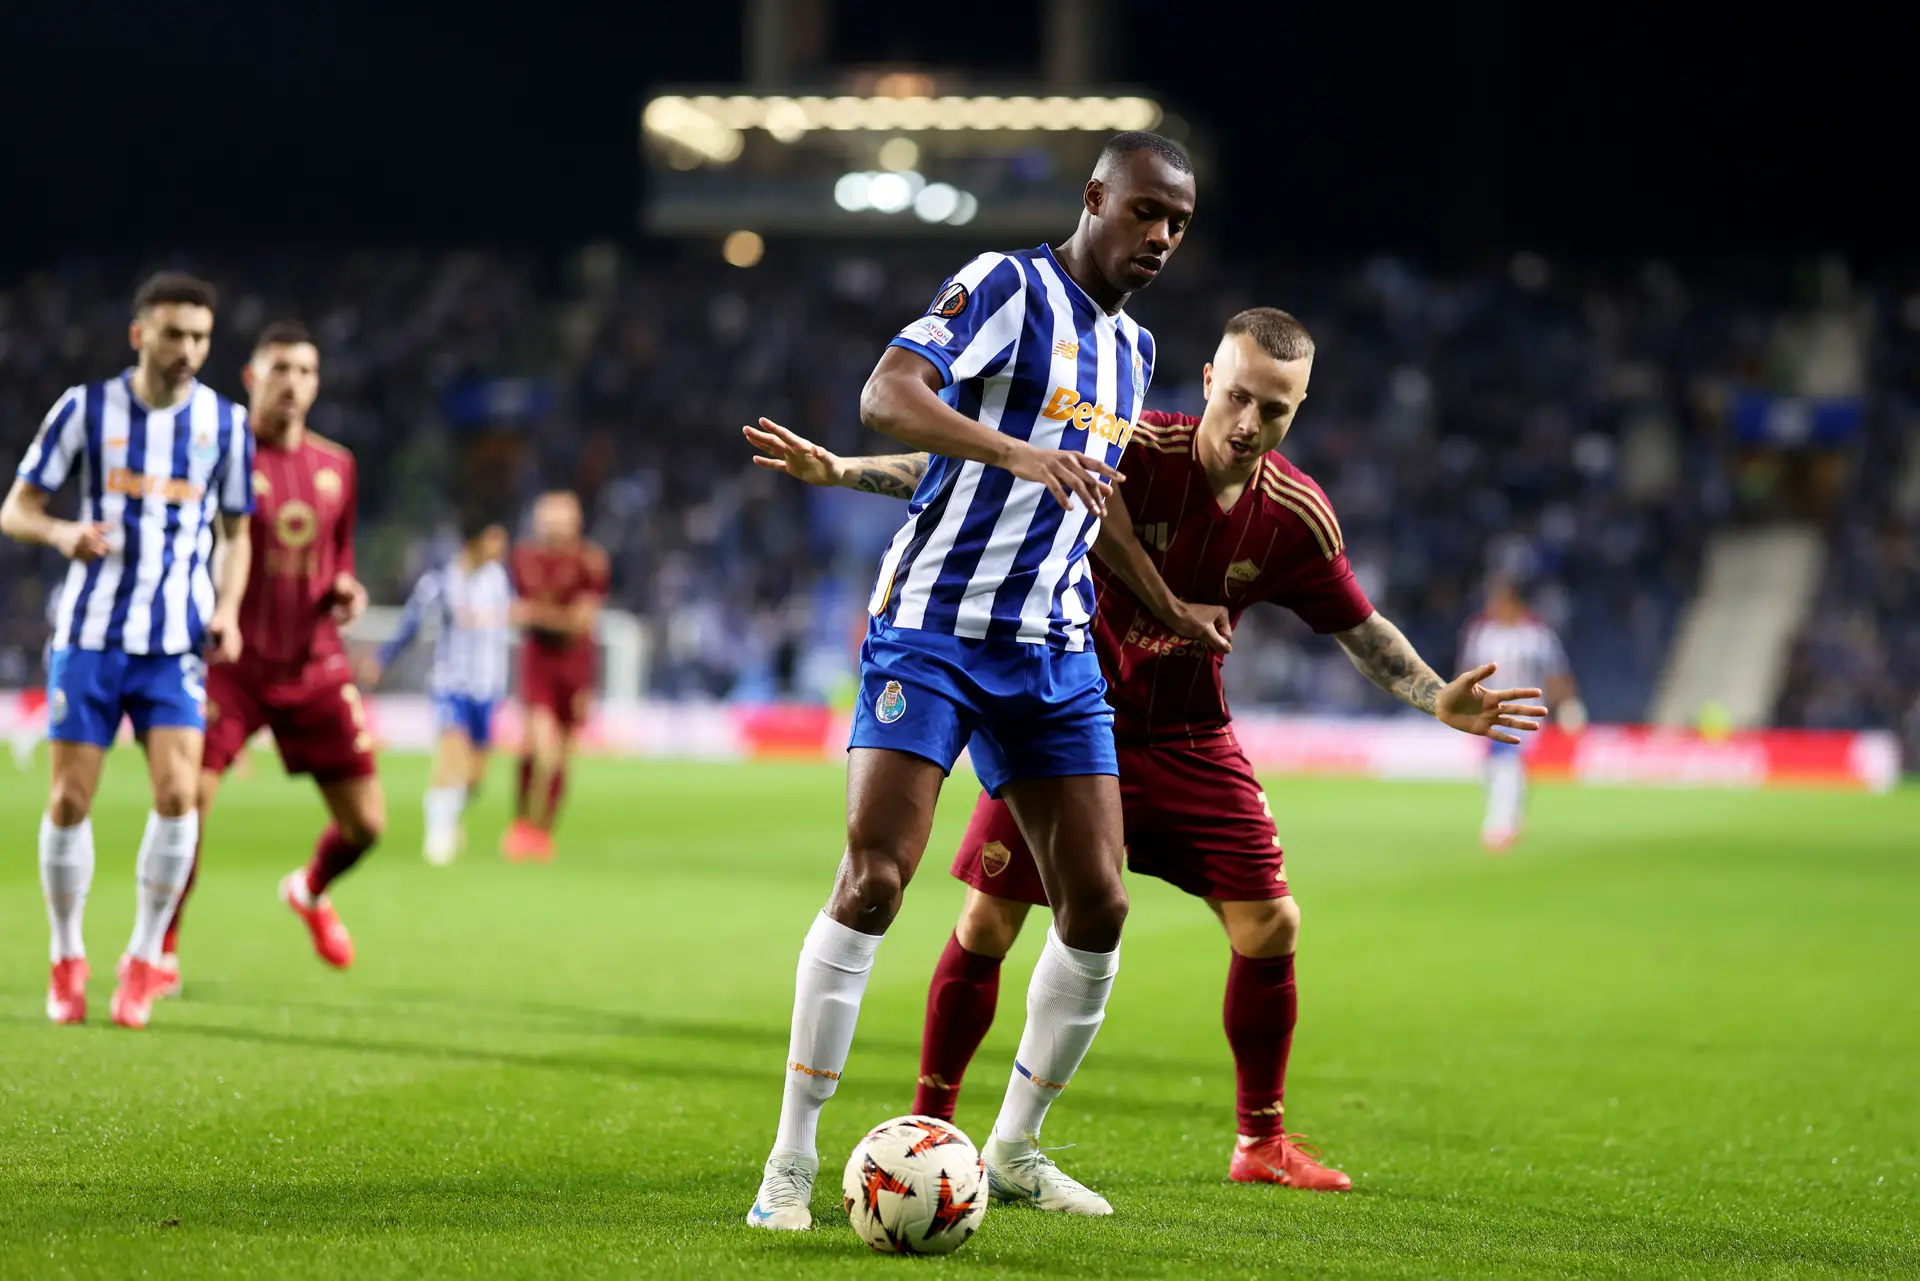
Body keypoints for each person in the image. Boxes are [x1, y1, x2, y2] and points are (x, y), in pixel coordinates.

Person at [747, 307, 1547, 1190]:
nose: (1249, 424)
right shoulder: (1131, 449)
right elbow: (963, 474)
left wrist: (1437, 695)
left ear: (1300, 407)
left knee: (1270, 921)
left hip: (1189, 735)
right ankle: (931, 1125)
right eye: (1237, 397)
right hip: (1062, 714)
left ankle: (1259, 1142)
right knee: (988, 920)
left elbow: (1358, 627)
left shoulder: (1294, 517)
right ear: (1208, 381)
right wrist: (842, 470)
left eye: (1274, 410)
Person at [744, 130, 1198, 1232]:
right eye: (1145, 213)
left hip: (1050, 650)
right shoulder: (1006, 285)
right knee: (876, 882)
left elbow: (1100, 501)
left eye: (1177, 226)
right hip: (934, 630)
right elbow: (888, 395)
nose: (1161, 239)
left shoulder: (1134, 354)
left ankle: (1017, 1150)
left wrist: (1165, 601)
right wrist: (1012, 452)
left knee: (1098, 905)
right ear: (1096, 197)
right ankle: (791, 1166)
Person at [0, 271, 253, 1029]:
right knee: (69, 798)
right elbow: (15, 509)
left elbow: (236, 532)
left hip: (174, 641)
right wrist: (61, 533)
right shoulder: (85, 410)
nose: (188, 349)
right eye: (174, 333)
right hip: (89, 634)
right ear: (139, 333)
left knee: (179, 794)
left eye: (201, 336)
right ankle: (65, 950)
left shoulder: (225, 424)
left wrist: (229, 608)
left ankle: (143, 957)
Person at [165, 321, 381, 982]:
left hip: (313, 662)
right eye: (282, 368)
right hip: (230, 666)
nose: (295, 382)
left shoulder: (337, 465)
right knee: (186, 807)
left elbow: (337, 556)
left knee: (366, 825)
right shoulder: (215, 457)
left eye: (307, 371)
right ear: (253, 377)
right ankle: (160, 946)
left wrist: (347, 588)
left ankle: (309, 890)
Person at [363, 517, 512, 865]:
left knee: (476, 776)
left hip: (488, 686)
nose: (500, 547)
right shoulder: (444, 581)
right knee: (451, 754)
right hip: (452, 682)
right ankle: (437, 836)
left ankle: (449, 816)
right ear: (475, 541)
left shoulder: (500, 580)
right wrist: (382, 659)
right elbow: (412, 623)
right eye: (494, 539)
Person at [503, 491, 608, 861]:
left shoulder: (590, 562)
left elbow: (581, 623)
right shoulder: (523, 558)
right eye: (547, 517)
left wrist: (531, 614)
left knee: (562, 753)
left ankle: (542, 830)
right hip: (538, 662)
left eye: (561, 517)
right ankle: (520, 825)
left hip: (575, 665)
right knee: (537, 745)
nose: (553, 524)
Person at [1459, 573, 1583, 850]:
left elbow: (1556, 673)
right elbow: (1468, 673)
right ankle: (1511, 817)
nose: (1492, 607)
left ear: (1513, 603)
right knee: (1497, 767)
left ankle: (1499, 825)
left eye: (1498, 601)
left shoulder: (1536, 636)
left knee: (1507, 760)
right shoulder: (1482, 635)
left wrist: (1568, 704)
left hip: (1526, 711)